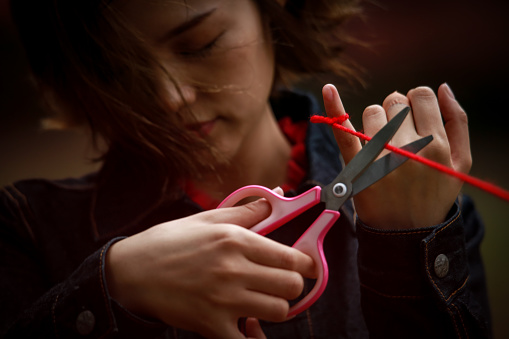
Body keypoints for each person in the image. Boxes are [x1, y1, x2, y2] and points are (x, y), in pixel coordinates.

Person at [1, 0, 491, 338]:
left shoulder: (426, 206)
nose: (171, 98)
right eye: (114, 71)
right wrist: (112, 286)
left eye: (199, 44)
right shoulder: (26, 230)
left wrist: (407, 248)